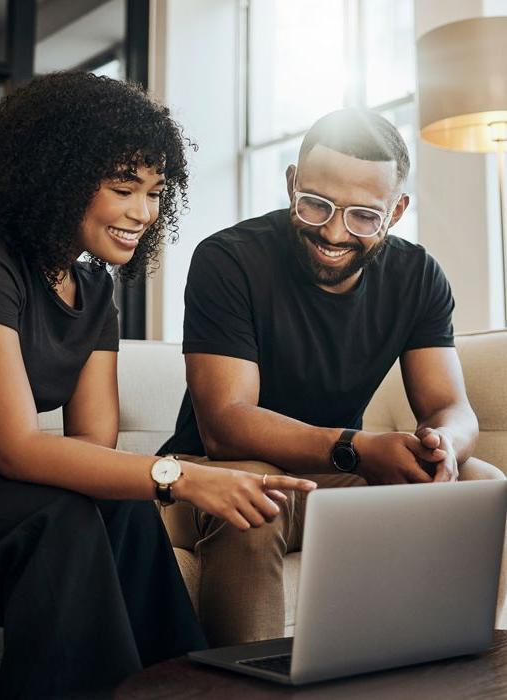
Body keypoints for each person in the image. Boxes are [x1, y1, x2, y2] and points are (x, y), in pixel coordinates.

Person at [0, 72, 316, 699]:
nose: (143, 213)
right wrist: (184, 476)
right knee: (58, 522)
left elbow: (92, 446)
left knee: (122, 511)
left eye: (156, 192)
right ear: (54, 176)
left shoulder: (94, 287)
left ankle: (195, 693)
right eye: (123, 188)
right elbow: (21, 448)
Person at [159, 108, 505, 647]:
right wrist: (360, 448)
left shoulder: (417, 277)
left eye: (365, 216)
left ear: (397, 209)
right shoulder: (228, 260)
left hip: (328, 477)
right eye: (316, 204)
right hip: (211, 473)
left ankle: (449, 679)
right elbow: (225, 426)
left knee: (482, 482)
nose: (334, 232)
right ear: (292, 183)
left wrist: (442, 447)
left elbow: (450, 407)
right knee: (259, 497)